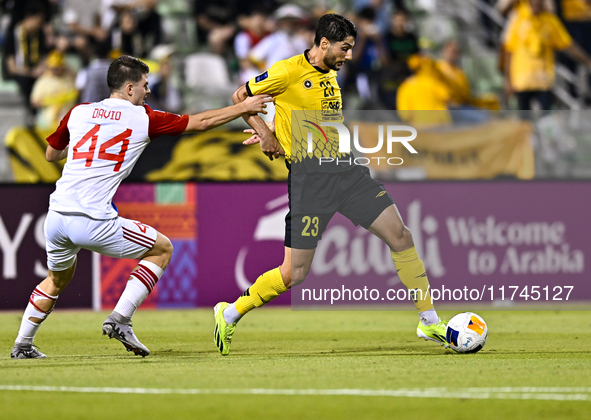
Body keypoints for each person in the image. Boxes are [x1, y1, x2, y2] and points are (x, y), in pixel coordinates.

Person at [213, 14, 448, 356]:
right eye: (345, 48)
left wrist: (281, 129)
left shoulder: (330, 72)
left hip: (347, 172)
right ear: (324, 44)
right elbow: (239, 96)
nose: (349, 55)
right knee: (294, 273)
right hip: (311, 181)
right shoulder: (287, 71)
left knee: (401, 235)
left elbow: (308, 117)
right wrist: (265, 134)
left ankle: (428, 320)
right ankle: (230, 312)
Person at [11, 55, 272, 359]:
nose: (149, 91)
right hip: (93, 219)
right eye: (146, 85)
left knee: (56, 279)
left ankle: (23, 345)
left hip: (55, 217)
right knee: (161, 249)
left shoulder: (78, 112)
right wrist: (242, 107)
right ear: (130, 87)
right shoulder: (143, 118)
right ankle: (120, 318)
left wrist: (88, 146)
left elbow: (51, 155)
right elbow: (200, 122)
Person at [504, 0, 591, 110]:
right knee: (524, 122)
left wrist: (587, 60)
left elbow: (568, 46)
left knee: (546, 121)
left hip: (543, 81)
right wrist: (508, 80)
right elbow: (508, 50)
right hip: (522, 81)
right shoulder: (519, 19)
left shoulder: (549, 21)